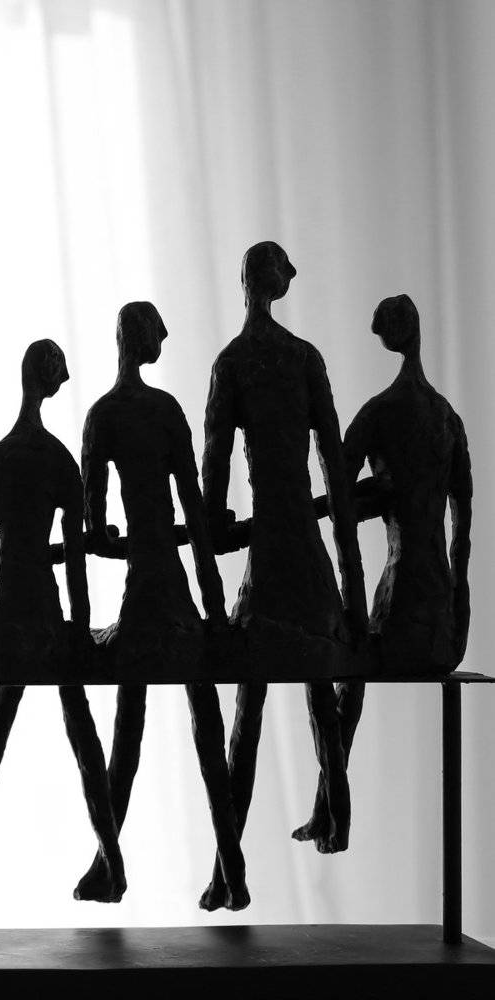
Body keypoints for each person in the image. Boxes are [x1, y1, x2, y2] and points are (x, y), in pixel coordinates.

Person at [200, 242, 366, 907]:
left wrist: (214, 529)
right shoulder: (301, 358)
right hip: (300, 541)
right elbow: (334, 469)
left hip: (272, 546)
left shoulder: (234, 361)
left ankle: (228, 872)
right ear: (273, 281)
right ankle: (333, 821)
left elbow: (216, 462)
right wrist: (352, 580)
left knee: (252, 707)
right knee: (318, 690)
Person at [78, 303, 248, 909]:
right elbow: (194, 515)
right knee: (206, 731)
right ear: (137, 336)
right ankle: (232, 870)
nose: (166, 335)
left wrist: (112, 535)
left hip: (143, 587)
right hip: (172, 587)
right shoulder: (166, 410)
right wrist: (214, 607)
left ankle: (108, 865)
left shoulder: (103, 415)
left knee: (130, 729)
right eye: (157, 328)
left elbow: (96, 530)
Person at [0, 340, 125, 901]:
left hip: (10, 614)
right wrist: (79, 628)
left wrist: (15, 551)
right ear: (47, 381)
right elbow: (76, 560)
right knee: (83, 737)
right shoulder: (60, 461)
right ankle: (112, 856)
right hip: (48, 616)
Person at [293, 293, 472, 845]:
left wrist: (371, 497)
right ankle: (327, 812)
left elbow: (338, 499)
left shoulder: (379, 413)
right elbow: (462, 528)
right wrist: (458, 615)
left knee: (343, 673)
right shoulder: (446, 417)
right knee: (350, 674)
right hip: (440, 623)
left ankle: (331, 812)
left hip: (400, 607)